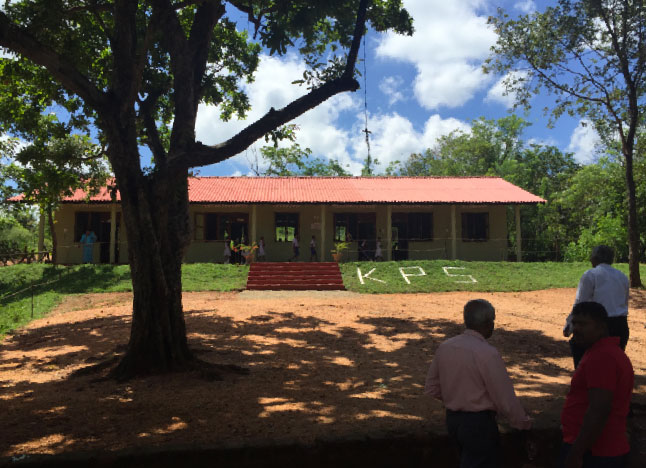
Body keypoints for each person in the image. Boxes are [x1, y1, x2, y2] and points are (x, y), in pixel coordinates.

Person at [425, 299, 532, 468]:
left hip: (453, 420)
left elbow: (432, 388)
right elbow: (504, 397)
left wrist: (456, 399)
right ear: (488, 323)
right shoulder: (487, 354)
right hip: (479, 425)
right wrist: (522, 422)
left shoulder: (445, 347)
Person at [558, 301, 634, 468]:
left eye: (583, 324)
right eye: (574, 323)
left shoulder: (602, 357)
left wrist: (576, 454)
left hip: (596, 452)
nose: (576, 328)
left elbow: (598, 410)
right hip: (599, 448)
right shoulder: (603, 352)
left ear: (601, 327)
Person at [564, 245, 630, 368]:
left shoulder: (591, 275)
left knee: (583, 356)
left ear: (595, 258)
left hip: (598, 326)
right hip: (621, 326)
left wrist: (570, 325)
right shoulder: (622, 276)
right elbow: (624, 302)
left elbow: (580, 303)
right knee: (612, 363)